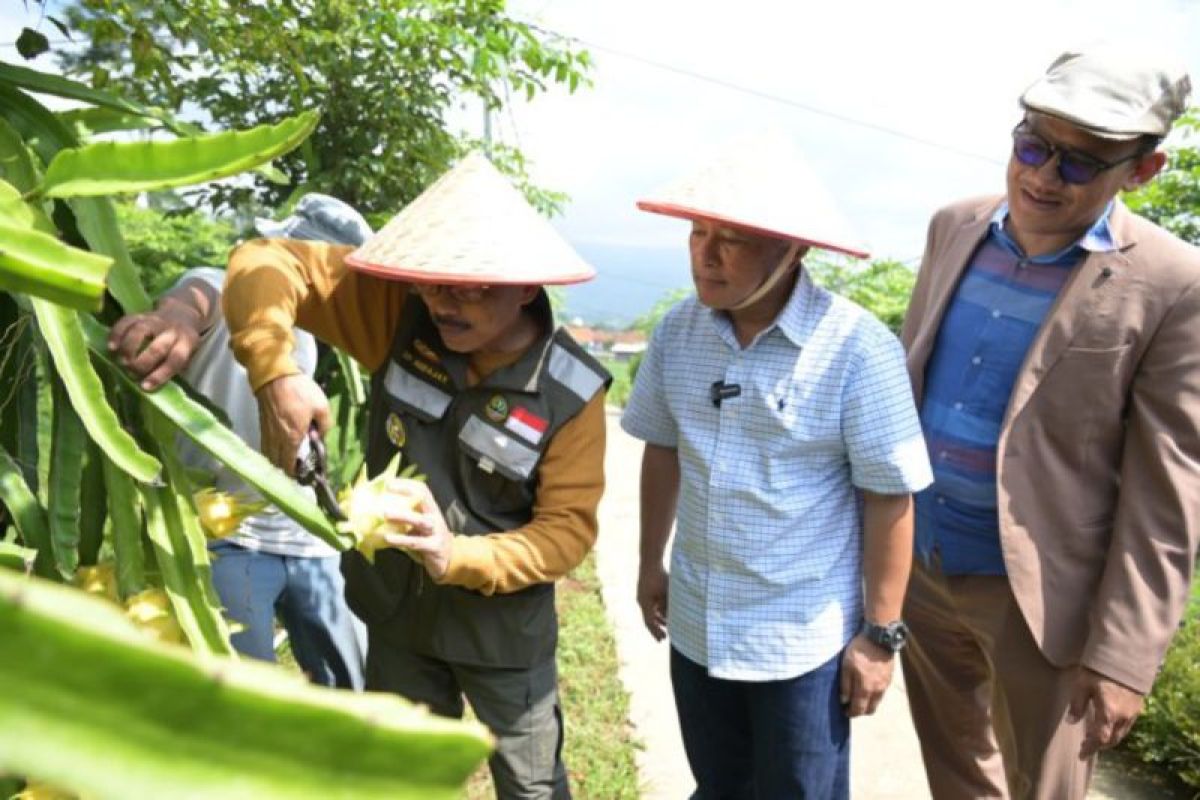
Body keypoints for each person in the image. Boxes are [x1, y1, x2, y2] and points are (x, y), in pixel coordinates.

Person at [221, 153, 610, 800]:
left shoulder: (571, 394)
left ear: (524, 285)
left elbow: (566, 534)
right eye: (432, 282)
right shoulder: (399, 316)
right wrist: (275, 371)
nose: (442, 301)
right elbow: (264, 259)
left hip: (502, 636)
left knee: (533, 786)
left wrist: (457, 554)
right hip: (398, 617)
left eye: (469, 286)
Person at [899, 45, 1200, 800]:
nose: (1040, 176)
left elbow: (1169, 488)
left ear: (1141, 169)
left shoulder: (1171, 283)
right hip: (919, 568)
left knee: (1044, 788)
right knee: (956, 774)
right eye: (1031, 145)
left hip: (1038, 601)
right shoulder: (954, 227)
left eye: (1076, 164)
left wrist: (1125, 658)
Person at [621, 133, 934, 799]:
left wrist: (879, 639)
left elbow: (890, 496)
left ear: (793, 250)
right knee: (718, 786)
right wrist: (651, 561)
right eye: (698, 232)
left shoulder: (856, 350)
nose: (705, 255)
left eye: (730, 238)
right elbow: (663, 447)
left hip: (801, 640)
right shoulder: (680, 332)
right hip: (699, 621)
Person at [107, 194, 370, 690]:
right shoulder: (228, 285)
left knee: (354, 684)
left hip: (307, 534)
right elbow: (193, 298)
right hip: (226, 537)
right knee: (244, 699)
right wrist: (177, 321)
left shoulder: (308, 333)